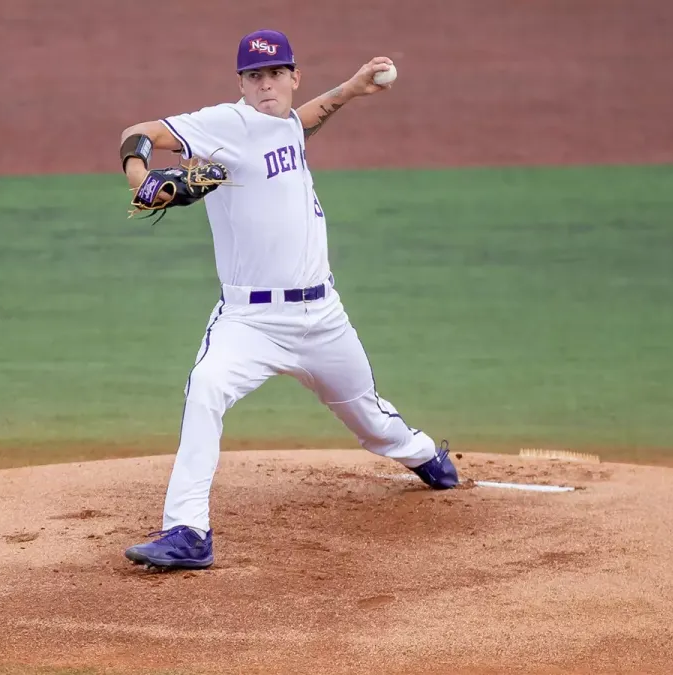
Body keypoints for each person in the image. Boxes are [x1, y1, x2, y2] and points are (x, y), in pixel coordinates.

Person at [116, 29, 460, 570]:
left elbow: (302, 123)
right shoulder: (226, 124)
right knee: (205, 387)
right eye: (255, 76)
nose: (266, 84)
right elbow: (137, 133)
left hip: (322, 317)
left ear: (294, 78)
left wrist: (349, 89)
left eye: (276, 73)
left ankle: (423, 455)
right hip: (249, 320)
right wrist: (142, 178)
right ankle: (188, 531)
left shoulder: (286, 125)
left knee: (369, 419)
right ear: (242, 84)